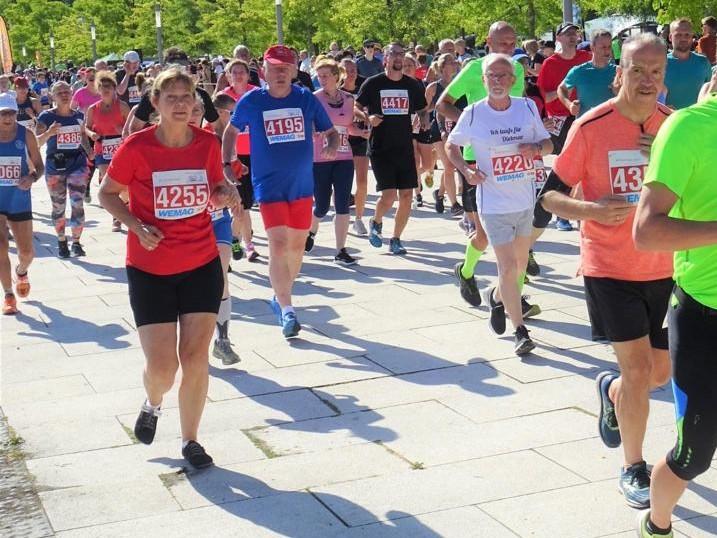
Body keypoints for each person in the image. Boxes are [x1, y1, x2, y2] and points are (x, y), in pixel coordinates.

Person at [539, 34, 674, 509]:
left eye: (656, 72)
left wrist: (662, 153)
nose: (647, 81)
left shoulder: (673, 126)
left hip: (667, 267)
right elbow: (549, 196)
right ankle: (633, 466)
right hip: (610, 267)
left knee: (658, 372)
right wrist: (592, 209)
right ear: (620, 72)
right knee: (638, 370)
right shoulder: (590, 126)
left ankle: (611, 391)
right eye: (638, 71)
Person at [98, 68, 239, 469]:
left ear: (196, 102)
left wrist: (225, 192)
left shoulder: (207, 143)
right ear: (155, 102)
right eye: (171, 97)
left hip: (200, 262)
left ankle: (191, 440)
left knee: (195, 359)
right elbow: (106, 194)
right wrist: (136, 226)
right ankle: (153, 401)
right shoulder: (137, 147)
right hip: (150, 268)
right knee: (163, 369)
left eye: (186, 97)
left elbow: (214, 187)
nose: (180, 105)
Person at [631, 84, 717, 538]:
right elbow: (646, 231)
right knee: (693, 454)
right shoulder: (690, 127)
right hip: (705, 315)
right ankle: (656, 525)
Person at [222, 45, 338, 338]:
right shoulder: (252, 101)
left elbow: (330, 131)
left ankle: (280, 295)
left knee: (296, 247)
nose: (280, 73)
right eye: (274, 68)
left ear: (295, 71)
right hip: (269, 184)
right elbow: (231, 132)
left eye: (285, 68)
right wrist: (228, 162)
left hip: (302, 185)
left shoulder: (305, 99)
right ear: (263, 71)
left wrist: (331, 144)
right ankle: (287, 309)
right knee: (277, 243)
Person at [446, 54, 552, 355]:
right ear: (483, 80)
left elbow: (548, 144)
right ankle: (520, 331)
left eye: (503, 75)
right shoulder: (473, 113)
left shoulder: (526, 107)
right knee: (507, 267)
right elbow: (452, 146)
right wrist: (466, 171)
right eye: (492, 75)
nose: (497, 81)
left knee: (518, 268)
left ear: (513, 80)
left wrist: (536, 148)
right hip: (492, 204)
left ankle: (496, 297)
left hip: (524, 200)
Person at [437, 21, 524, 306]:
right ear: (488, 42)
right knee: (486, 236)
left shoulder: (518, 69)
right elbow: (442, 104)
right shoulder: (475, 69)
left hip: (512, 160)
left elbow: (519, 109)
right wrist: (473, 125)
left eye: (512, 43)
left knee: (518, 239)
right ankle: (466, 271)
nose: (508, 48)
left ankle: (512, 298)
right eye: (502, 43)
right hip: (478, 162)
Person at [355, 41, 429, 255]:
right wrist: (367, 118)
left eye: (401, 54)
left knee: (406, 196)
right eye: (394, 54)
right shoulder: (373, 83)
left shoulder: (412, 85)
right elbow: (356, 106)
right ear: (385, 58)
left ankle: (396, 239)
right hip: (381, 147)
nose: (398, 57)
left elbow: (422, 109)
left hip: (404, 146)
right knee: (389, 197)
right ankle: (376, 221)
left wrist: (424, 119)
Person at [537, 22, 592, 233]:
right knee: (567, 166)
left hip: (586, 115)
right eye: (567, 34)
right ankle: (559, 212)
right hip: (561, 118)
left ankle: (577, 209)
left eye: (574, 33)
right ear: (558, 38)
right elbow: (546, 97)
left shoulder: (586, 58)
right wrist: (566, 89)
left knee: (586, 166)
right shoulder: (550, 64)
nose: (572, 37)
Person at [306, 57, 360, 265]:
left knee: (342, 204)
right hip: (320, 157)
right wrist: (314, 132)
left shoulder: (348, 98)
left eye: (326, 76)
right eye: (319, 76)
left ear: (336, 76)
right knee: (321, 206)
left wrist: (362, 131)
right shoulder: (314, 98)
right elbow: (308, 123)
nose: (322, 79)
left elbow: (348, 126)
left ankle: (340, 250)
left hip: (344, 157)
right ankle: (311, 231)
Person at [36, 81, 91, 258]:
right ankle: (61, 242)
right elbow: (36, 142)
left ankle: (76, 242)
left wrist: (89, 152)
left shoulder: (79, 115)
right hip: (55, 167)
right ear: (52, 96)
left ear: (72, 93)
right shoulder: (46, 117)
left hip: (77, 164)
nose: (64, 95)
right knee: (58, 207)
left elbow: (83, 135)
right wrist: (49, 133)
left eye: (67, 91)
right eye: (59, 93)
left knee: (77, 204)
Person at [0, 93, 44, 315]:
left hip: (19, 199)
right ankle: (8, 295)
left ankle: (21, 271)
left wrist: (31, 177)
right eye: (3, 114)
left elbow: (40, 166)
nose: (7, 118)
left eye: (11, 113)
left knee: (27, 253)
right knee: (1, 248)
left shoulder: (25, 134)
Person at [217, 60, 261, 263]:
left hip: (257, 153)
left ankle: (234, 238)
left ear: (248, 74)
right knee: (241, 204)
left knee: (246, 204)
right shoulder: (223, 97)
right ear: (227, 75)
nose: (238, 75)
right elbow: (215, 126)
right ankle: (248, 245)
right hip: (233, 157)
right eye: (233, 72)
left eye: (242, 71)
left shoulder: (257, 94)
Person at [84, 71, 130, 231]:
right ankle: (116, 217)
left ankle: (126, 205)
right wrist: (92, 134)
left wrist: (122, 130)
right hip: (102, 147)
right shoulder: (93, 109)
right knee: (108, 179)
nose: (105, 90)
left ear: (114, 88)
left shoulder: (122, 106)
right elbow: (86, 127)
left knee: (124, 185)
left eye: (109, 87)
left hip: (120, 147)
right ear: (98, 89)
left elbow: (133, 128)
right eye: (102, 87)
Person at [424, 53, 462, 215]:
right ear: (442, 66)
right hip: (438, 129)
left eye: (455, 62)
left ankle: (440, 194)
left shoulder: (459, 84)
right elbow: (424, 109)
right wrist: (438, 107)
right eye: (451, 62)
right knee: (449, 166)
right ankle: (454, 204)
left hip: (455, 128)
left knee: (450, 167)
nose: (455, 64)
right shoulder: (433, 87)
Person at [339, 58, 370, 236]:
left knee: (363, 181)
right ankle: (342, 215)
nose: (352, 73)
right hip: (342, 139)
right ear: (341, 72)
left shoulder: (363, 90)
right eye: (348, 70)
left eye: (354, 70)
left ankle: (358, 219)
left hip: (361, 138)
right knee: (343, 182)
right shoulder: (336, 92)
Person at [557, 30, 616, 118]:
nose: (607, 51)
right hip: (587, 124)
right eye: (603, 47)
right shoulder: (579, 71)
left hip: (612, 123)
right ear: (592, 48)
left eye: (609, 46)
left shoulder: (618, 71)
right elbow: (561, 89)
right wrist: (569, 105)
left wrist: (618, 91)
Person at [664, 18, 712, 109]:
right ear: (670, 37)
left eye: (687, 34)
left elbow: (711, 94)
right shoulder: (660, 63)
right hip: (669, 117)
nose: (683, 38)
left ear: (692, 37)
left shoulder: (703, 63)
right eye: (678, 35)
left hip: (697, 116)